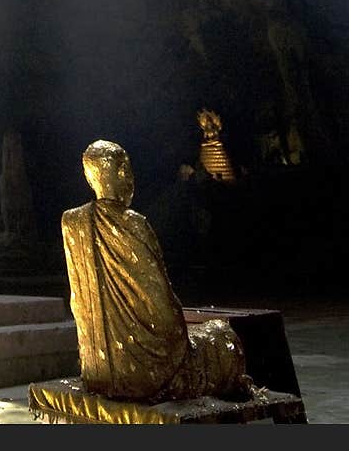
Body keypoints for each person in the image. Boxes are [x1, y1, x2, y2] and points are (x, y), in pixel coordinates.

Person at [58, 139, 250, 402]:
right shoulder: (134, 224)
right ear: (123, 173)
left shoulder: (72, 221)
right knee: (221, 336)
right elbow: (163, 310)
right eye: (128, 171)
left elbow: (79, 303)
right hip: (147, 375)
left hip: (96, 370)